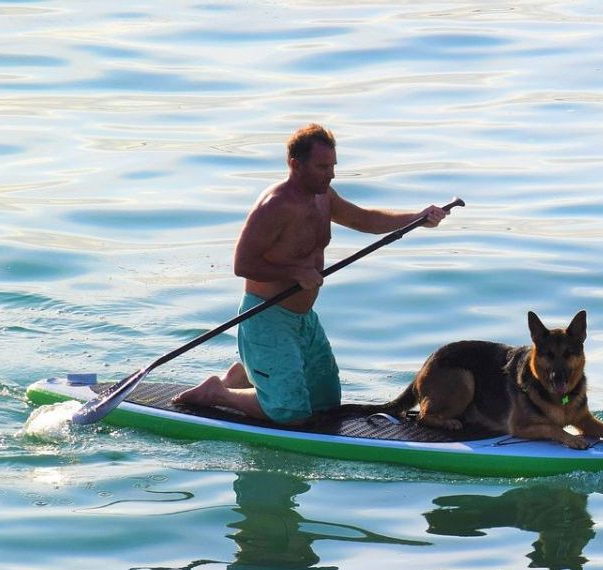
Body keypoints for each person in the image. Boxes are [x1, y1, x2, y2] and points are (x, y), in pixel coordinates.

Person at [173, 123, 447, 423]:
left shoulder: (323, 195)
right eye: (322, 167)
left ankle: (247, 376)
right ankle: (217, 392)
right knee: (291, 413)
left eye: (332, 166)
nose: (330, 174)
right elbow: (242, 264)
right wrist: (294, 272)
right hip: (266, 317)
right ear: (295, 164)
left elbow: (363, 218)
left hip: (304, 320)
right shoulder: (275, 206)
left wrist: (417, 218)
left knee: (326, 404)